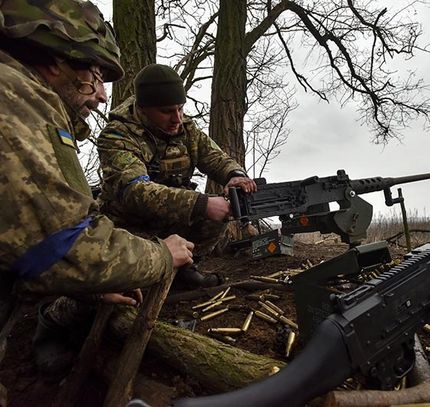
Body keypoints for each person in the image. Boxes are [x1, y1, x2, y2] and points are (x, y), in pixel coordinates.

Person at [0, 1, 194, 374]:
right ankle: (51, 327)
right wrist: (161, 255)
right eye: (94, 74)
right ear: (55, 60)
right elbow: (62, 251)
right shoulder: (16, 99)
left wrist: (233, 174)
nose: (103, 95)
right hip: (122, 230)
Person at [97, 64, 257, 267]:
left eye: (180, 108)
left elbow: (215, 157)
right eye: (166, 112)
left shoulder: (186, 129)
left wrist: (234, 174)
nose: (177, 119)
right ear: (143, 108)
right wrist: (201, 204)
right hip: (129, 226)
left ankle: (186, 267)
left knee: (215, 218)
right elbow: (134, 192)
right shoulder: (116, 136)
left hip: (172, 219)